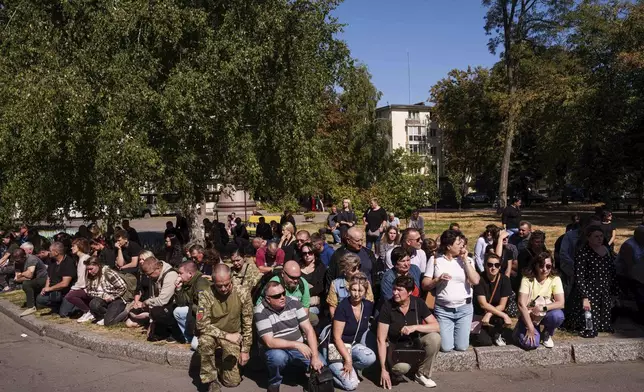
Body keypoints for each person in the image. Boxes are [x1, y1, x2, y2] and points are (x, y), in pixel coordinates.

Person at [254, 281, 324, 392]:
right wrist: (297, 345)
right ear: (268, 299)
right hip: (274, 349)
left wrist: (314, 356)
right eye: (277, 296)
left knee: (321, 364)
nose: (282, 297)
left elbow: (308, 329)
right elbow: (269, 342)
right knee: (278, 357)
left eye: (283, 293)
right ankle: (274, 383)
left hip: (296, 347)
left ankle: (301, 375)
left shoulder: (294, 302)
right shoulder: (260, 311)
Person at [377, 275, 441, 389]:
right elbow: (380, 339)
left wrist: (415, 327)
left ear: (410, 292)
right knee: (402, 368)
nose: (395, 293)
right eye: (394, 289)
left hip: (415, 343)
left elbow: (436, 326)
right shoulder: (387, 306)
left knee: (435, 338)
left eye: (399, 290)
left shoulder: (418, 303)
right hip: (396, 347)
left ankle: (422, 374)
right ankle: (395, 372)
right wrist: (384, 369)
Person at [197, 264, 254, 392]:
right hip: (214, 334)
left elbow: (247, 323)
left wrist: (245, 350)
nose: (223, 289)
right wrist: (226, 335)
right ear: (213, 282)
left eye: (226, 284)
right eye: (219, 286)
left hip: (233, 336)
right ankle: (210, 380)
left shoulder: (242, 292)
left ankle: (218, 365)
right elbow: (201, 324)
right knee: (204, 341)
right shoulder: (206, 295)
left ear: (232, 278)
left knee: (232, 383)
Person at [422, 230, 479, 352]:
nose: (462, 246)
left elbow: (475, 281)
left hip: (464, 309)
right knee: (446, 347)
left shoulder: (468, 260)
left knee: (462, 347)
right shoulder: (435, 260)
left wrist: (466, 261)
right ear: (448, 246)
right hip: (443, 310)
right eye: (458, 244)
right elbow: (425, 285)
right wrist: (437, 279)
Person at [327, 277, 376, 390]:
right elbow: (337, 338)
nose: (356, 294)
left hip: (353, 345)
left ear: (365, 291)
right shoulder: (342, 307)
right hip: (337, 347)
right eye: (353, 290)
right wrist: (348, 359)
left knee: (370, 358)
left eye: (360, 291)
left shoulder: (367, 305)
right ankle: (329, 371)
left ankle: (351, 369)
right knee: (351, 385)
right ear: (349, 289)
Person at [569, 226, 616, 338]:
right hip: (589, 289)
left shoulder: (606, 250)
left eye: (601, 236)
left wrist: (614, 291)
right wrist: (584, 296)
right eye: (596, 236)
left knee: (604, 321)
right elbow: (579, 276)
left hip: (604, 288)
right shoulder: (583, 253)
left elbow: (611, 272)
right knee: (589, 321)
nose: (599, 239)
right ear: (588, 238)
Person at [514, 251, 565, 349]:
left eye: (548, 266)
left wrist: (543, 308)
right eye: (541, 266)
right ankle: (518, 332)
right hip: (529, 315)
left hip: (544, 313)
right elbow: (521, 304)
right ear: (535, 265)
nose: (545, 269)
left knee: (558, 315)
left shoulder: (555, 279)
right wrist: (530, 327)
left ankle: (547, 333)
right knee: (530, 344)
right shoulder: (527, 279)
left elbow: (561, 303)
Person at [471, 254, 513, 347]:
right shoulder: (479, 279)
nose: (493, 268)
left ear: (500, 267)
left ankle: (497, 333)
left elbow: (502, 305)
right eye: (490, 265)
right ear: (485, 265)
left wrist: (489, 314)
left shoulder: (504, 280)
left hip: (495, 314)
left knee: (502, 323)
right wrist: (505, 315)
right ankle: (486, 333)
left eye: (496, 265)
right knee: (485, 342)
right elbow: (483, 304)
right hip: (480, 315)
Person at [258, 260, 316, 325]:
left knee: (314, 319)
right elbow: (269, 308)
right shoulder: (275, 284)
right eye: (292, 278)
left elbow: (305, 306)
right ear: (283, 274)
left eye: (298, 277)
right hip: (275, 314)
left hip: (295, 312)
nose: (296, 281)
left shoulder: (302, 283)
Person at [138, 256, 181, 342]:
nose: (148, 277)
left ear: (158, 268)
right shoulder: (153, 276)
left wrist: (146, 302)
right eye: (146, 275)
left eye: (149, 274)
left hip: (174, 306)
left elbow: (162, 301)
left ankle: (175, 333)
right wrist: (151, 322)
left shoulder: (170, 275)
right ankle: (160, 331)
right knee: (154, 309)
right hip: (164, 307)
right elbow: (153, 297)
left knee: (157, 310)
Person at [77, 257, 130, 325]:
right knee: (94, 303)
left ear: (98, 265)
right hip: (103, 299)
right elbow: (89, 291)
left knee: (109, 323)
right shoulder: (90, 276)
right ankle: (104, 316)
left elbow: (123, 287)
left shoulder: (108, 273)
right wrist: (103, 295)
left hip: (117, 299)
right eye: (88, 269)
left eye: (91, 269)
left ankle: (126, 312)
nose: (89, 272)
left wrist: (112, 297)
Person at [173, 261, 212, 347]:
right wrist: (179, 289)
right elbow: (181, 303)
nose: (178, 276)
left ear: (190, 274)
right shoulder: (188, 283)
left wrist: (198, 329)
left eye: (180, 273)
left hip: (207, 318)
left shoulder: (201, 283)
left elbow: (204, 309)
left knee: (195, 346)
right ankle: (189, 338)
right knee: (178, 311)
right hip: (195, 313)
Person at [36, 242, 77, 315]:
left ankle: (75, 306)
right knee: (40, 298)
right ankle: (57, 306)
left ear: (56, 252)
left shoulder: (68, 263)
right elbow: (49, 276)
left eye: (50, 251)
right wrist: (46, 287)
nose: (49, 252)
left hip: (67, 291)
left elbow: (65, 283)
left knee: (64, 313)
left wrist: (50, 289)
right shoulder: (52, 262)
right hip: (55, 291)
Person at [615, 226, 644, 321]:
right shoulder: (629, 246)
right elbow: (631, 268)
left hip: (639, 273)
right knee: (639, 288)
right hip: (624, 275)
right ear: (638, 236)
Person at [60, 238, 92, 318]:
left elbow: (82, 279)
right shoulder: (80, 259)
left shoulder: (84, 259)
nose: (71, 248)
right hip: (83, 286)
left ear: (80, 246)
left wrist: (74, 288)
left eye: (73, 246)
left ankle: (88, 311)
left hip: (87, 287)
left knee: (69, 296)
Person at [13, 249, 49, 317]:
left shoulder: (31, 259)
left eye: (19, 260)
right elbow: (17, 278)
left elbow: (29, 275)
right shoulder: (17, 263)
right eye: (16, 260)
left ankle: (31, 307)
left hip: (43, 279)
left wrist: (22, 274)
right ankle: (36, 302)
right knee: (39, 305)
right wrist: (22, 276)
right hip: (33, 280)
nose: (17, 262)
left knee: (26, 284)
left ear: (24, 256)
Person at [299, 242, 327, 321]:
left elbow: (320, 287)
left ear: (314, 253)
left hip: (313, 304)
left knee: (303, 314)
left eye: (310, 253)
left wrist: (305, 290)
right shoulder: (298, 265)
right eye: (304, 253)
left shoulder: (320, 267)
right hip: (298, 301)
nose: (307, 255)